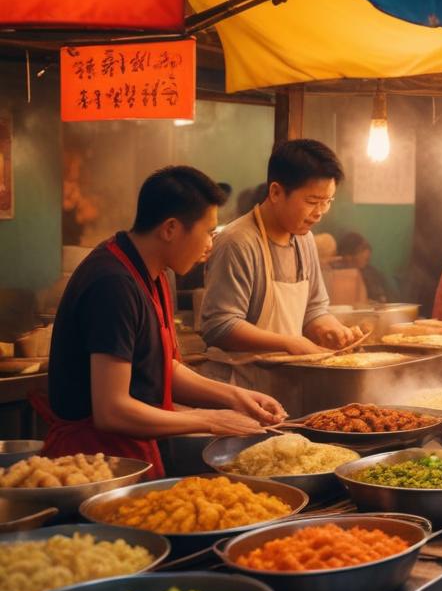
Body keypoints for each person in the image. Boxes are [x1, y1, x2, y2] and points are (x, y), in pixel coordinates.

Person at [42, 167, 286, 479]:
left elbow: (162, 367)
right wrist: (210, 420)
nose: (211, 245)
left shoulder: (154, 271)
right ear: (170, 228)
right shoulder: (113, 284)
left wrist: (235, 397)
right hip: (91, 465)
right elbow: (111, 410)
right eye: (208, 232)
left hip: (131, 454)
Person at [201, 140, 359, 380]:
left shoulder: (304, 239)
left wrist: (331, 329)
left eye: (327, 202)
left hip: (285, 383)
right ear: (275, 192)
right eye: (312, 202)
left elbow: (314, 309)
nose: (319, 213)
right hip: (238, 385)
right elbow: (220, 326)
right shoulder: (238, 242)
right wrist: (288, 343)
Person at [331, 232, 390, 304]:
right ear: (348, 256)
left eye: (366, 248)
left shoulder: (370, 273)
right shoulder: (334, 272)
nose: (366, 253)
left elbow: (381, 299)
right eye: (361, 250)